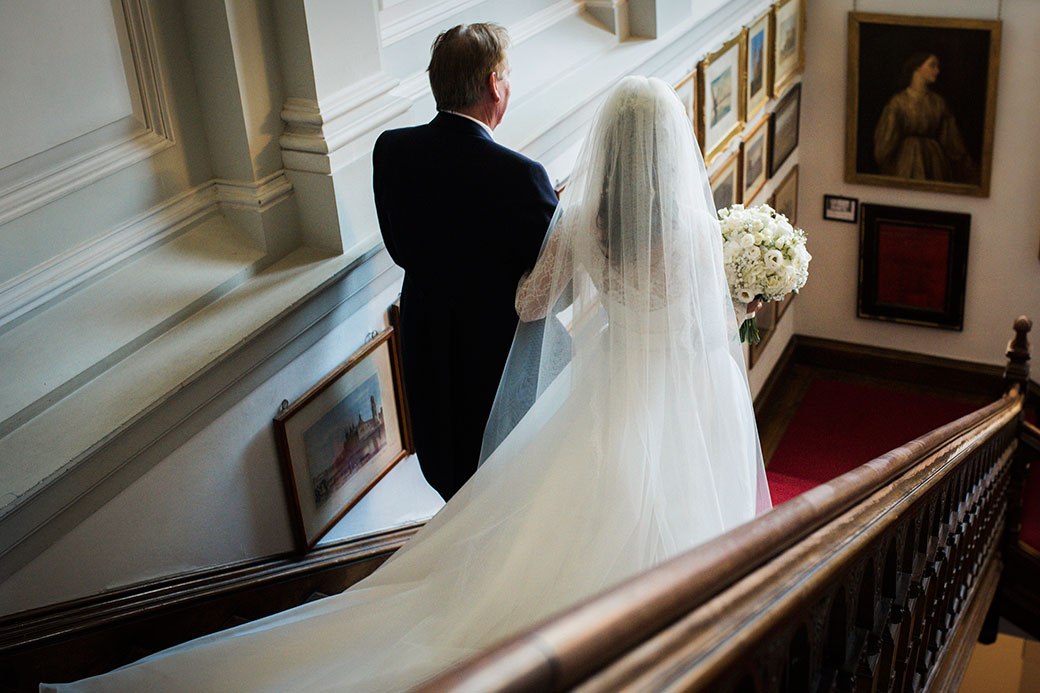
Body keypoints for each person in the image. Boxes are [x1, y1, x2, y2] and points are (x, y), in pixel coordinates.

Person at [45, 76, 770, 692]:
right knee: (675, 509)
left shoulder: (583, 217)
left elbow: (530, 304)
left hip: (603, 393)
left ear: (611, 148)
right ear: (671, 154)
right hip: (674, 397)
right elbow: (704, 331)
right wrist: (744, 302)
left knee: (573, 524)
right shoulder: (691, 232)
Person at [373, 23, 558, 501]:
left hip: (428, 352)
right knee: (507, 492)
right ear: (495, 85)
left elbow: (399, 248)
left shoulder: (391, 152)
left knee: (455, 490)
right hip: (496, 370)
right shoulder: (522, 178)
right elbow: (550, 278)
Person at [872, 52, 976, 183]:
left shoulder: (938, 102)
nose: (937, 71)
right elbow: (885, 143)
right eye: (932, 65)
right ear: (917, 67)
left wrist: (967, 166)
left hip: (934, 163)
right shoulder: (897, 102)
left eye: (937, 66)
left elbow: (952, 141)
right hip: (905, 163)